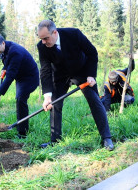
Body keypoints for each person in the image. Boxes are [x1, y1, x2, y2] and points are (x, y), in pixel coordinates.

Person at [36, 20, 114, 151]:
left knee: (94, 100)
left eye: (46, 38)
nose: (43, 42)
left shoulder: (74, 34)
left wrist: (90, 75)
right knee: (55, 104)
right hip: (60, 76)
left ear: (55, 33)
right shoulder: (42, 46)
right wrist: (47, 96)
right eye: (41, 39)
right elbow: (45, 70)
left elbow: (92, 52)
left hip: (82, 72)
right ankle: (55, 140)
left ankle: (106, 137)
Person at [0, 34, 39, 138]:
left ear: (3, 43)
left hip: (30, 77)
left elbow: (10, 76)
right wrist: (5, 68)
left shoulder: (15, 51)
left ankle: (22, 133)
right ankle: (20, 125)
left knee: (20, 99)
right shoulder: (5, 48)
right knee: (19, 99)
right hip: (20, 77)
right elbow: (8, 61)